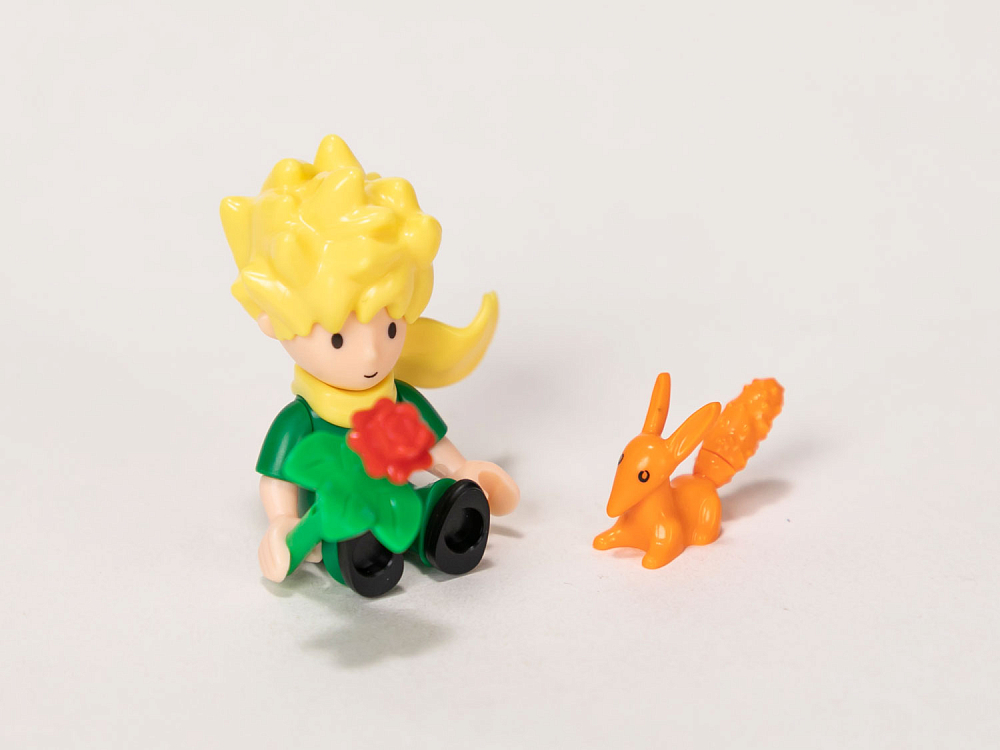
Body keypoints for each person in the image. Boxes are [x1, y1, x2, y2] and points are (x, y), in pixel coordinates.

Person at [221, 135, 519, 596]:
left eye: (391, 329)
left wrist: (463, 470)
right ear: (274, 320)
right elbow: (276, 480)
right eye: (339, 339)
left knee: (425, 508)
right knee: (347, 530)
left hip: (397, 498)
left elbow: (431, 444)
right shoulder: (303, 420)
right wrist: (282, 522)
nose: (371, 356)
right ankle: (361, 556)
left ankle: (438, 526)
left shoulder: (395, 397)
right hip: (333, 517)